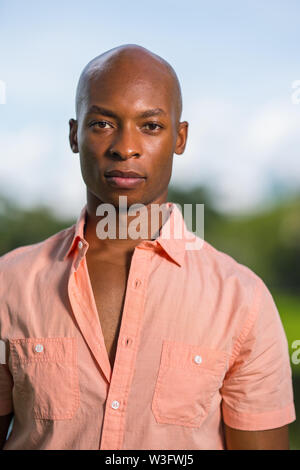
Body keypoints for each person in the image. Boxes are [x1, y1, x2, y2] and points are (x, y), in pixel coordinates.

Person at [0, 44, 296, 450]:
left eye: (151, 126)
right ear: (74, 135)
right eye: (103, 123)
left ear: (180, 137)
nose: (126, 147)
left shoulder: (242, 301)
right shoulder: (9, 285)